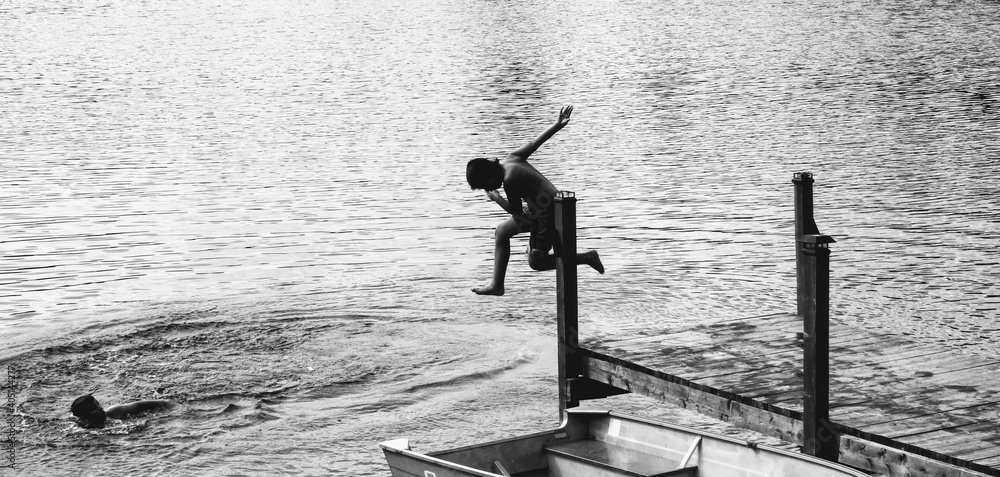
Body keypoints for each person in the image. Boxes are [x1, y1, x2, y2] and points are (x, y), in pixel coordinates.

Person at [466, 105, 604, 296]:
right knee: (501, 232)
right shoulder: (510, 159)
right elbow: (534, 143)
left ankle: (586, 257)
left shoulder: (509, 180)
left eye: (487, 186)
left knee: (536, 262)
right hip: (543, 209)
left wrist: (497, 198)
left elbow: (516, 213)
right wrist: (557, 125)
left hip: (547, 215)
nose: (490, 189)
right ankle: (497, 284)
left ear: (489, 174)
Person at [71, 394, 171, 428]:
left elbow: (137, 406)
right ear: (83, 416)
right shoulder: (78, 426)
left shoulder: (113, 412)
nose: (100, 408)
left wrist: (162, 402)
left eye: (98, 404)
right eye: (93, 409)